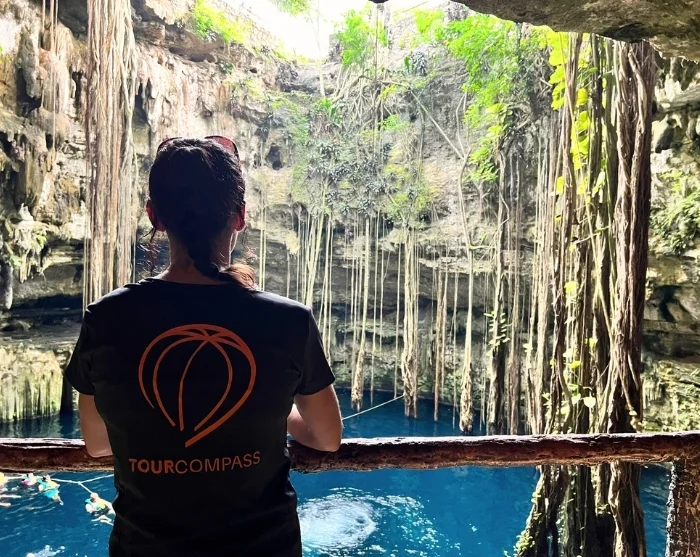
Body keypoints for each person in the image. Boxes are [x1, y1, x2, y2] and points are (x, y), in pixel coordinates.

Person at [64, 136, 343, 557]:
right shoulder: (289, 320)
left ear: (155, 215)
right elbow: (326, 437)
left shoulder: (105, 318)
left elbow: (98, 444)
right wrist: (274, 409)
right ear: (240, 217)